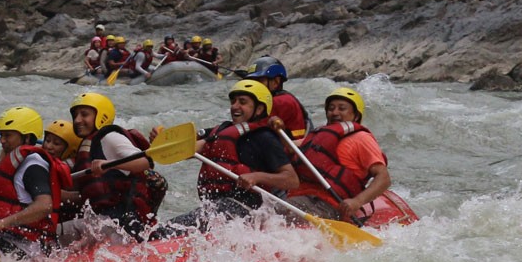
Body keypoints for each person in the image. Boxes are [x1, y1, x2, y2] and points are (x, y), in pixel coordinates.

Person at [161, 80, 298, 235]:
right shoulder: (222, 131)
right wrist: (164, 141)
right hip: (218, 207)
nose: (235, 106)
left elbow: (291, 180)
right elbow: (188, 150)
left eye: (242, 102)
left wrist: (257, 176)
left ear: (259, 109)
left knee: (169, 232)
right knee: (164, 230)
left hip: (248, 209)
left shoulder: (265, 138)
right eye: (233, 101)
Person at [65, 92, 166, 241]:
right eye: (75, 116)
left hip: (120, 222)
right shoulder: (89, 144)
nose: (78, 120)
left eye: (84, 114)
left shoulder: (110, 137)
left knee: (51, 233)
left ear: (101, 116)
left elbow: (145, 161)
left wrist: (107, 165)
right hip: (104, 220)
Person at [283, 87, 392, 223]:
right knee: (267, 211)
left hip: (330, 205)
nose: (334, 113)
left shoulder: (362, 138)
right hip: (301, 197)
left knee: (280, 215)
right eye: (331, 108)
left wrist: (357, 202)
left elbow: (384, 178)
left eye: (342, 108)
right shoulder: (318, 136)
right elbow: (287, 146)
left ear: (356, 115)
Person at [0, 107, 69, 257]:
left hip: (27, 248)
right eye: (1, 135)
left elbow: (44, 206)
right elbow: (10, 190)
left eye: (8, 135)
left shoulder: (33, 166)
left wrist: (0, 224)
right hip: (12, 242)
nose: (2, 140)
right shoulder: (21, 161)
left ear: (27, 138)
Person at [245, 56, 310, 141]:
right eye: (252, 81)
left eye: (259, 81)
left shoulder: (279, 102)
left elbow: (254, 129)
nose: (254, 86)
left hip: (289, 150)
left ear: (276, 82)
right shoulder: (282, 98)